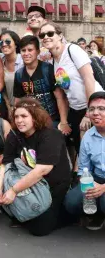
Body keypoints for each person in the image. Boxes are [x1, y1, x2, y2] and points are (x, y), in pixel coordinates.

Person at [0, 98, 71, 236]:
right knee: (12, 210)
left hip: (54, 184)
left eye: (24, 116)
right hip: (28, 182)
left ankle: (72, 214)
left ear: (35, 117)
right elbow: (5, 163)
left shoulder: (51, 135)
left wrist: (13, 191)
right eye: (16, 116)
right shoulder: (14, 134)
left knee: (38, 229)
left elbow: (42, 170)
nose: (19, 120)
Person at [40, 21, 103, 161]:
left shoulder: (72, 50)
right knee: (82, 150)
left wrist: (89, 111)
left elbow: (89, 78)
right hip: (75, 110)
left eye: (50, 33)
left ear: (60, 36)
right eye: (42, 35)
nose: (45, 37)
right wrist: (64, 121)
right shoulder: (53, 62)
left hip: (95, 105)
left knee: (99, 150)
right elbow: (62, 95)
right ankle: (87, 181)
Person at [64, 92, 105, 230]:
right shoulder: (88, 136)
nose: (95, 113)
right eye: (91, 109)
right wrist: (90, 184)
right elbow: (83, 169)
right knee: (71, 202)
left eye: (101, 109)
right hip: (96, 177)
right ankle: (97, 212)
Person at [14, 35, 70, 134]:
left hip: (52, 120)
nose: (26, 53)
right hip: (31, 122)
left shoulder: (48, 69)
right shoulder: (19, 74)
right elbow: (18, 100)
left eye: (30, 50)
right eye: (23, 50)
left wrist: (64, 122)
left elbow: (60, 97)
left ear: (38, 52)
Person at [0, 30, 23, 110]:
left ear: (15, 44)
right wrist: (9, 108)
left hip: (24, 107)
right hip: (7, 108)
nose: (4, 45)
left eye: (8, 41)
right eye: (1, 42)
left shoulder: (24, 61)